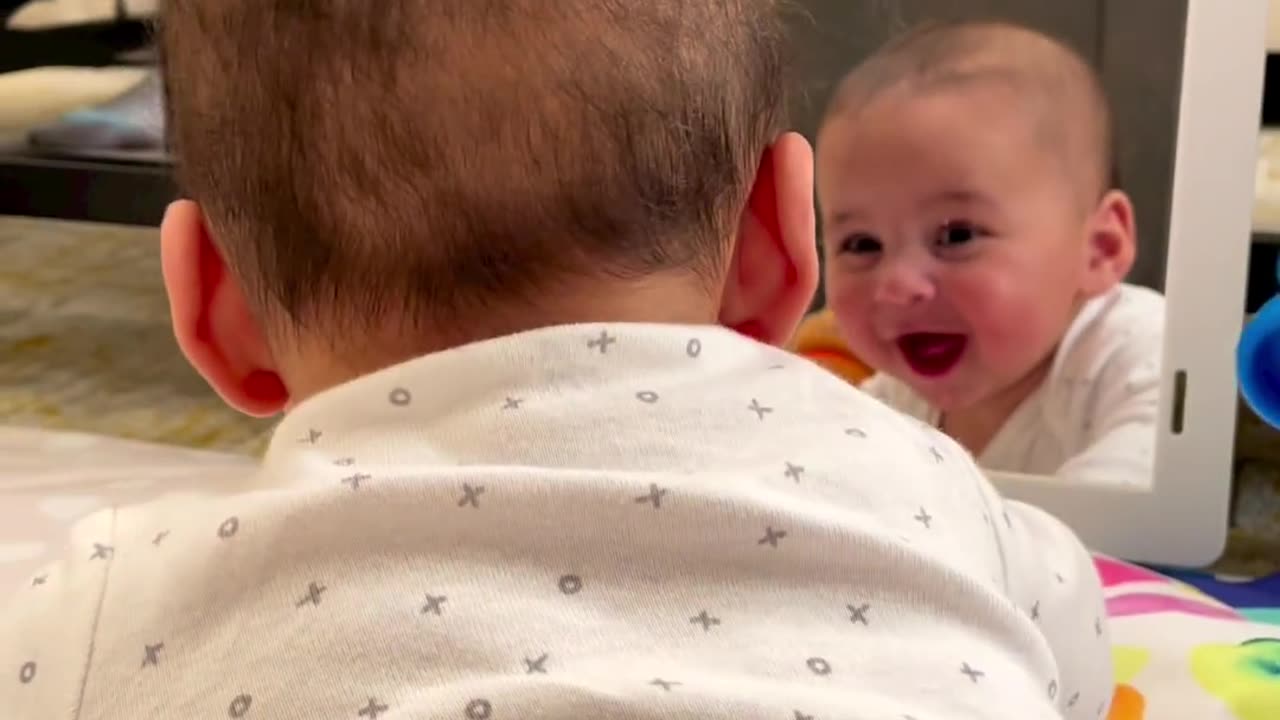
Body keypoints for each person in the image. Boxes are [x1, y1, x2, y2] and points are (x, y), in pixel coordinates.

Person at [0, 3, 1111, 718]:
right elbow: (1076, 654)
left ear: (210, 309)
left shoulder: (109, 604)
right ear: (780, 248)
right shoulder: (933, 496)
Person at [817, 21, 1164, 487]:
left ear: (1100, 250)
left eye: (957, 235)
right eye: (862, 244)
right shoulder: (895, 403)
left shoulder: (1141, 353)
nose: (897, 285)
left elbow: (1130, 514)